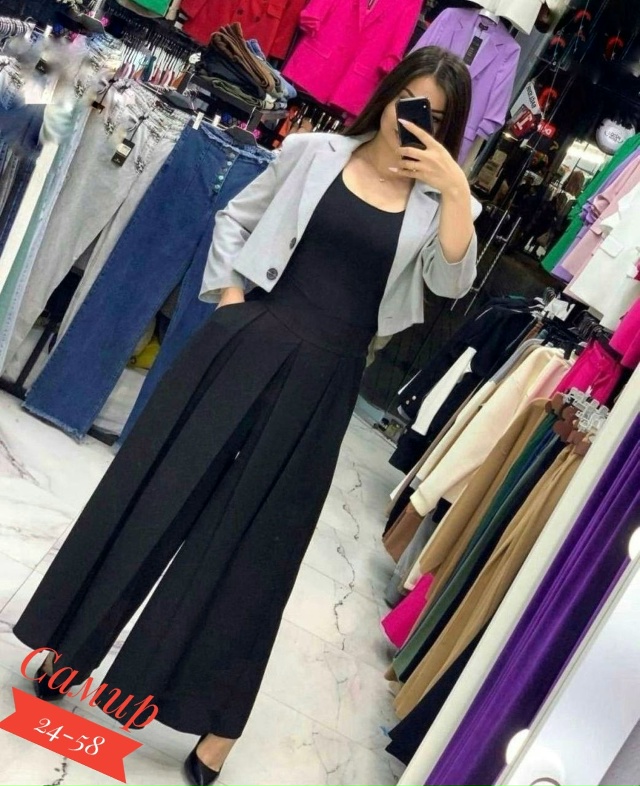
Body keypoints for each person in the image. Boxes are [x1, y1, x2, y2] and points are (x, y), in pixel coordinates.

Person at [13, 46, 479, 785]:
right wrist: (232, 301)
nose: (415, 123)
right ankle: (70, 652)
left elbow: (451, 283)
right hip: (246, 340)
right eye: (409, 103)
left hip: (325, 381)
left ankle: (216, 728)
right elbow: (237, 217)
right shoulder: (315, 152)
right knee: (154, 496)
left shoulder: (440, 208)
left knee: (258, 549)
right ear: (389, 97)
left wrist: (454, 187)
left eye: (438, 118)